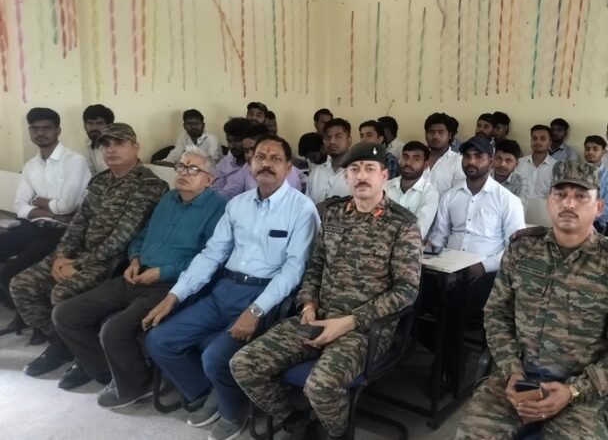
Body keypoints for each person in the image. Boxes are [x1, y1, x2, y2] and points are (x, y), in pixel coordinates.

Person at [231, 142, 422, 440]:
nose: (362, 176)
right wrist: (308, 304)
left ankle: (336, 434)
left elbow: (406, 291)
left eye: (369, 169)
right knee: (243, 364)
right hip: (318, 316)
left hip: (365, 329)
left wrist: (349, 322)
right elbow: (316, 265)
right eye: (354, 169)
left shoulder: (403, 224)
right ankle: (297, 422)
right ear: (346, 176)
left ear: (384, 176)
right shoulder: (332, 214)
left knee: (320, 385)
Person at [454, 160, 608, 440]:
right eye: (560, 194)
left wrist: (575, 390)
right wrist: (511, 370)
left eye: (580, 196)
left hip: (580, 396)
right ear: (549, 201)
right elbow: (496, 313)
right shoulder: (522, 250)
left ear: (599, 207)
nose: (568, 203)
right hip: (514, 380)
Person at [142, 135, 319, 440]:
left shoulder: (302, 209)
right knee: (159, 340)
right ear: (251, 163)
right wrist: (174, 296)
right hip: (224, 289)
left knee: (215, 356)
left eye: (275, 159)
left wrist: (256, 310)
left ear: (289, 167)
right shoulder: (237, 204)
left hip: (266, 296)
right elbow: (212, 254)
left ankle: (230, 411)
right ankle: (208, 392)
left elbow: (293, 271)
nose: (266, 164)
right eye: (260, 157)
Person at [52, 150, 227, 398]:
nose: (184, 173)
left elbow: (209, 259)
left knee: (115, 330)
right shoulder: (169, 199)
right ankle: (109, 373)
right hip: (137, 275)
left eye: (193, 169)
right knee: (66, 314)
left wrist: (162, 272)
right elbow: (143, 235)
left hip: (173, 286)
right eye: (180, 166)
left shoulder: (219, 207)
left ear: (209, 179)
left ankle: (137, 385)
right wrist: (134, 258)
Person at [10, 123, 168, 381]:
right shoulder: (101, 181)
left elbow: (123, 237)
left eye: (119, 143)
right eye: (106, 145)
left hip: (112, 262)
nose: (111, 150)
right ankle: (62, 344)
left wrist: (78, 264)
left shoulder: (148, 185)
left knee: (61, 293)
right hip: (79, 254)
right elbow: (79, 222)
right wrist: (61, 256)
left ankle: (87, 358)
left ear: (136, 147)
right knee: (22, 284)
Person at [0, 108, 90, 340]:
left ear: (58, 131)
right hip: (32, 226)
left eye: (46, 128)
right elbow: (19, 205)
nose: (40, 133)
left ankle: (39, 323)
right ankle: (22, 314)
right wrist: (51, 211)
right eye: (35, 128)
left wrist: (38, 202)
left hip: (61, 233)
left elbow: (67, 206)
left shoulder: (75, 161)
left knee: (11, 271)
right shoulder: (31, 165)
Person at [428, 135, 525, 327]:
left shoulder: (508, 200)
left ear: (491, 161)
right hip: (448, 268)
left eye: (478, 156)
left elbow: (516, 248)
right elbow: (439, 236)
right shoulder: (450, 196)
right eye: (467, 156)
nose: (471, 161)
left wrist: (483, 266)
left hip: (487, 273)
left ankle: (446, 344)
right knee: (419, 293)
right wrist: (432, 262)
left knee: (455, 306)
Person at [383, 141, 440, 238]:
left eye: (416, 159)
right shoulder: (385, 186)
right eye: (405, 157)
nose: (408, 163)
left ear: (425, 165)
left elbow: (419, 232)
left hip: (408, 245)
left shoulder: (430, 193)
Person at [154, 109, 223, 166]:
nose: (193, 127)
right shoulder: (183, 137)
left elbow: (211, 162)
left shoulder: (212, 139)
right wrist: (164, 162)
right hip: (188, 171)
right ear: (184, 126)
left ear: (203, 125)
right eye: (189, 124)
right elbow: (175, 154)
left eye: (196, 124)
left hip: (210, 174)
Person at [307, 118, 352, 204]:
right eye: (327, 137)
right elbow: (308, 206)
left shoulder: (358, 173)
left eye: (338, 136)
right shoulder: (316, 173)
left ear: (349, 141)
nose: (332, 141)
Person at [582, 135, 608, 233]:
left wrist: (584, 216)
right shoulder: (575, 173)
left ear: (603, 152)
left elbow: (606, 207)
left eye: (595, 149)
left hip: (596, 222)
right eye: (587, 149)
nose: (590, 152)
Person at [424, 112, 466, 195]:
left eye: (441, 132)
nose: (435, 136)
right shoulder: (417, 158)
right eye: (431, 132)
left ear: (449, 135)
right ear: (426, 134)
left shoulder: (458, 161)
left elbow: (457, 194)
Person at [212, 118, 253, 199]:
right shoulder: (223, 165)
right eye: (229, 141)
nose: (231, 146)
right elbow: (216, 194)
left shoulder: (258, 165)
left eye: (236, 141)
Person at [517, 125, 557, 199]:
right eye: (534, 138)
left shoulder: (556, 167)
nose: (538, 142)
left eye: (543, 139)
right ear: (531, 141)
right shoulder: (519, 163)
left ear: (550, 143)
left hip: (545, 206)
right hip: (518, 205)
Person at [82, 104, 114, 175]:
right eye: (90, 123)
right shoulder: (89, 143)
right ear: (84, 126)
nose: (94, 128)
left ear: (109, 126)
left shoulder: (117, 145)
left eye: (99, 123)